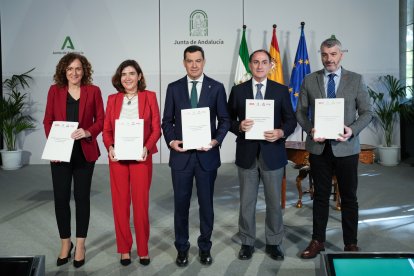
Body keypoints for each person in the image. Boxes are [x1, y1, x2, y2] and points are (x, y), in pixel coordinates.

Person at [296, 37, 372, 259]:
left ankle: (350, 243)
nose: (329, 59)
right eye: (324, 55)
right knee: (319, 196)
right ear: (321, 55)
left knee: (349, 197)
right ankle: (318, 240)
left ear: (341, 54)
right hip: (319, 148)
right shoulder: (310, 80)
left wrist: (352, 130)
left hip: (346, 147)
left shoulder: (356, 80)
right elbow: (300, 111)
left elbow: (367, 112)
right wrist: (310, 130)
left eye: (333, 54)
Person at [161, 45, 230, 267]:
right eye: (189, 61)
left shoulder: (216, 87)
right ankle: (182, 248)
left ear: (204, 61)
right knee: (180, 205)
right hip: (181, 157)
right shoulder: (174, 88)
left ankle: (204, 248)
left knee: (206, 205)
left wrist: (215, 141)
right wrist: (172, 141)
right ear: (184, 62)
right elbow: (166, 121)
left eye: (198, 60)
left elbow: (225, 120)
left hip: (206, 156)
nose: (194, 65)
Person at [228, 49, 297, 261]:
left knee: (274, 202)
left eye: (264, 62)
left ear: (270, 66)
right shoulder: (238, 91)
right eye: (256, 62)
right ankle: (247, 242)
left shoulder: (280, 90)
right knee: (247, 202)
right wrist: (238, 125)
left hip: (273, 153)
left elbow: (291, 120)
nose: (259, 66)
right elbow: (227, 120)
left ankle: (274, 242)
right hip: (247, 154)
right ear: (250, 65)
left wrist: (281, 132)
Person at [43, 53, 104, 268]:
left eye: (78, 68)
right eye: (70, 69)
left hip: (84, 153)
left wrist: (88, 132)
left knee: (82, 198)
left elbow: (102, 120)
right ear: (64, 71)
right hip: (60, 153)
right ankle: (64, 243)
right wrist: (55, 141)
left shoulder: (93, 91)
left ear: (84, 70)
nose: (74, 73)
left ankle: (80, 245)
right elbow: (47, 120)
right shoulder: (54, 91)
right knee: (60, 199)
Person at [103, 60, 161, 266]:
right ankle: (124, 249)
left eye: (131, 73)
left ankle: (143, 249)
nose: (127, 78)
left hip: (141, 157)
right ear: (119, 79)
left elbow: (156, 129)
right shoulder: (112, 99)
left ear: (139, 76)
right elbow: (107, 129)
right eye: (123, 74)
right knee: (120, 204)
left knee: (140, 204)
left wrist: (146, 147)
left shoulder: (149, 97)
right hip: (118, 158)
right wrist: (109, 147)